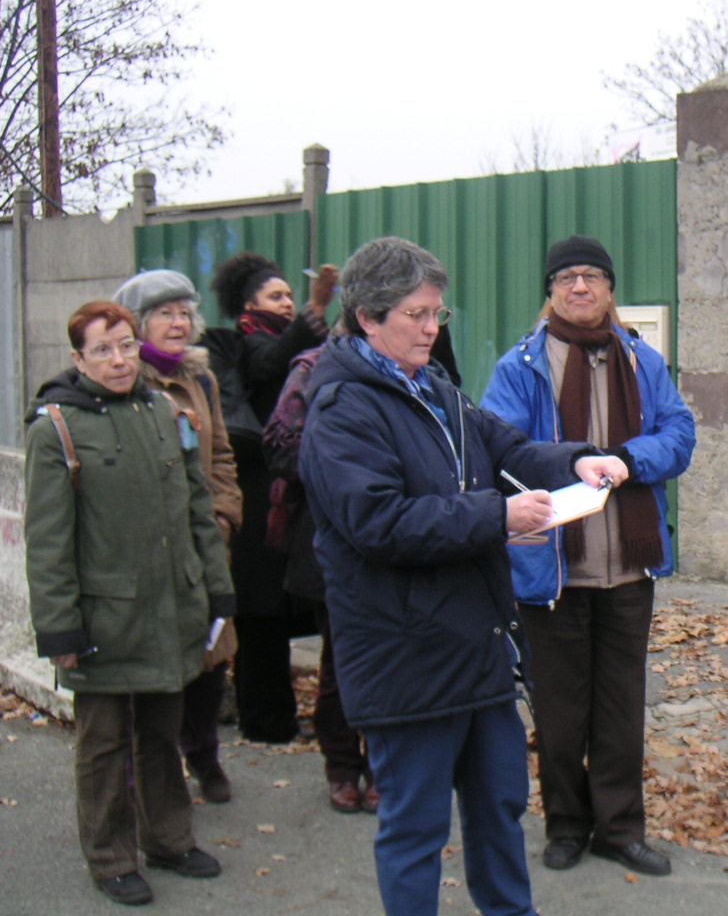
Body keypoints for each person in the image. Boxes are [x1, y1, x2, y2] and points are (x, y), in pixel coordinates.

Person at [298, 236, 628, 916]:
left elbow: (503, 448)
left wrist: (575, 461)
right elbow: (377, 522)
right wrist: (496, 517)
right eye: (417, 315)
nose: (431, 328)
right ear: (367, 318)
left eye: (437, 314)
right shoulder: (341, 409)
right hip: (404, 657)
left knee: (500, 806)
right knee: (416, 827)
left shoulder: (432, 387)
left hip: (476, 646)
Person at [480, 235, 696, 878]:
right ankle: (567, 826)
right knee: (559, 710)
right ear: (550, 291)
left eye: (593, 276)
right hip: (552, 569)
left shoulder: (641, 360)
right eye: (567, 277)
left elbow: (679, 433)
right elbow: (498, 449)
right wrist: (568, 465)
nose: (580, 287)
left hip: (628, 564)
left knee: (621, 707)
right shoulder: (520, 367)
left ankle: (621, 829)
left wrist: (630, 459)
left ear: (609, 289)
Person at [25, 301, 234, 906]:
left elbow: (198, 510)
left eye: (125, 346)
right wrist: (59, 630)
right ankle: (110, 858)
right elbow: (48, 541)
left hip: (171, 612)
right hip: (104, 621)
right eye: (102, 350)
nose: (118, 360)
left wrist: (216, 589)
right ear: (78, 359)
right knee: (104, 744)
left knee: (161, 734)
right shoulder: (56, 429)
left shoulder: (164, 411)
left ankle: (168, 839)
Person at [112, 270, 243, 804]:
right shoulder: (124, 380)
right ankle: (148, 772)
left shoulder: (200, 379)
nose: (178, 323)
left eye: (185, 313)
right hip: (148, 551)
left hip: (204, 545)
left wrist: (224, 518)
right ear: (139, 324)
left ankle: (204, 755)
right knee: (154, 665)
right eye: (165, 314)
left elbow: (222, 457)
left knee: (211, 659)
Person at [206, 253, 335, 743]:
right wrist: (313, 310)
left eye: (289, 295)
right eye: (275, 296)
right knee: (259, 614)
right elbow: (269, 361)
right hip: (257, 498)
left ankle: (284, 715)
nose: (286, 303)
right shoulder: (239, 346)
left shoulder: (306, 342)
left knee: (285, 609)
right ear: (248, 305)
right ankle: (264, 720)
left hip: (290, 497)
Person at [263, 335, 378, 815]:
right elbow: (279, 446)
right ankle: (342, 766)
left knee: (389, 661)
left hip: (391, 533)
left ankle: (383, 766)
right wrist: (343, 459)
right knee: (340, 661)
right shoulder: (312, 371)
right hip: (326, 534)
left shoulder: (413, 371)